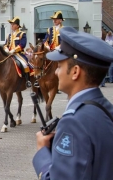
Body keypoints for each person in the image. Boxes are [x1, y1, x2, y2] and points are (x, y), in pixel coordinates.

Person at [32, 26, 113, 180]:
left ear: (75, 72)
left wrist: (42, 153)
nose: (56, 72)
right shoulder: (106, 108)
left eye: (60, 66)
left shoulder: (73, 122)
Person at [34, 11, 65, 89]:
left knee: (64, 63)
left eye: (56, 19)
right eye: (53, 19)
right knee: (40, 62)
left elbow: (65, 41)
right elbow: (46, 40)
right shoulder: (50, 29)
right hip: (50, 50)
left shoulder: (64, 29)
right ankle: (39, 80)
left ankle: (63, 80)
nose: (54, 21)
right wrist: (46, 46)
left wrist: (58, 47)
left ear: (61, 20)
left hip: (60, 50)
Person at [4, 16, 32, 88]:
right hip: (9, 54)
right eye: (11, 24)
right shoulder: (9, 35)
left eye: (13, 24)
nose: (12, 26)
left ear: (17, 26)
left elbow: (22, 44)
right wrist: (6, 49)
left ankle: (27, 80)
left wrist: (14, 50)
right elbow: (5, 44)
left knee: (25, 64)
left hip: (18, 54)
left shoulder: (22, 34)